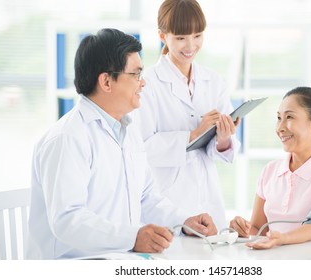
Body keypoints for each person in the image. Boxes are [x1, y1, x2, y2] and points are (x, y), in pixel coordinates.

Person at [26, 28, 217, 259]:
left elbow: (146, 197)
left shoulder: (128, 129)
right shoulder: (68, 138)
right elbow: (67, 220)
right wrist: (132, 237)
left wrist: (184, 222)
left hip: (119, 258)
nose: (143, 83)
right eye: (135, 74)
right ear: (106, 81)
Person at [138, 0, 241, 230]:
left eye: (197, 36)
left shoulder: (214, 82)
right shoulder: (148, 84)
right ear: (163, 36)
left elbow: (223, 151)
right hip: (167, 200)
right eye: (181, 37)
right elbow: (143, 148)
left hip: (208, 198)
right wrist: (194, 133)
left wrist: (223, 139)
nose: (191, 45)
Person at [230, 86, 311, 249]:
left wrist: (282, 238)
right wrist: (241, 229)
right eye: (279, 118)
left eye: (289, 117)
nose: (280, 127)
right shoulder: (270, 171)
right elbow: (258, 228)